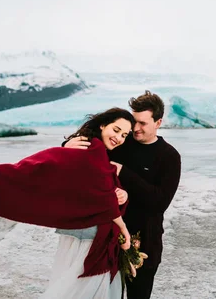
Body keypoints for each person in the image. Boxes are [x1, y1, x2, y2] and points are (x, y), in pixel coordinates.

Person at [0, 108, 135, 299]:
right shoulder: (91, 150)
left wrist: (120, 192)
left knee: (74, 283)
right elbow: (93, 191)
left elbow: (90, 187)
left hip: (81, 230)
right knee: (79, 287)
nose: (119, 138)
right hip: (87, 233)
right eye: (116, 130)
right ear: (103, 125)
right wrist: (122, 227)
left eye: (124, 135)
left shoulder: (95, 150)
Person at [64, 91, 181, 299]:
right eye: (134, 121)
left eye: (143, 123)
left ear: (158, 122)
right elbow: (88, 155)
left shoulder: (169, 156)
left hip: (144, 244)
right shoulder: (121, 143)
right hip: (108, 241)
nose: (135, 128)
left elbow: (159, 202)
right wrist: (67, 148)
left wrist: (123, 172)